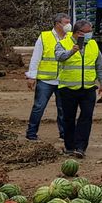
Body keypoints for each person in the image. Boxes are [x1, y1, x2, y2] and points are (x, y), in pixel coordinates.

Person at [54, 20, 102, 158]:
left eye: (91, 32)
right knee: (68, 118)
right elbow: (59, 57)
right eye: (87, 32)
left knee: (86, 117)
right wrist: (71, 51)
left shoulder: (93, 44)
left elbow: (100, 65)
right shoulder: (63, 43)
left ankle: (81, 147)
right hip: (68, 89)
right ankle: (70, 146)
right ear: (78, 33)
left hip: (88, 89)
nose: (90, 35)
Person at [24, 13, 70, 142]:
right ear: (57, 24)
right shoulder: (45, 37)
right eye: (66, 22)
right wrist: (31, 76)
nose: (69, 25)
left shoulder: (70, 37)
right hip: (46, 80)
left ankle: (64, 134)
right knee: (39, 107)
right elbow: (36, 57)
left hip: (63, 80)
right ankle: (31, 133)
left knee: (63, 109)